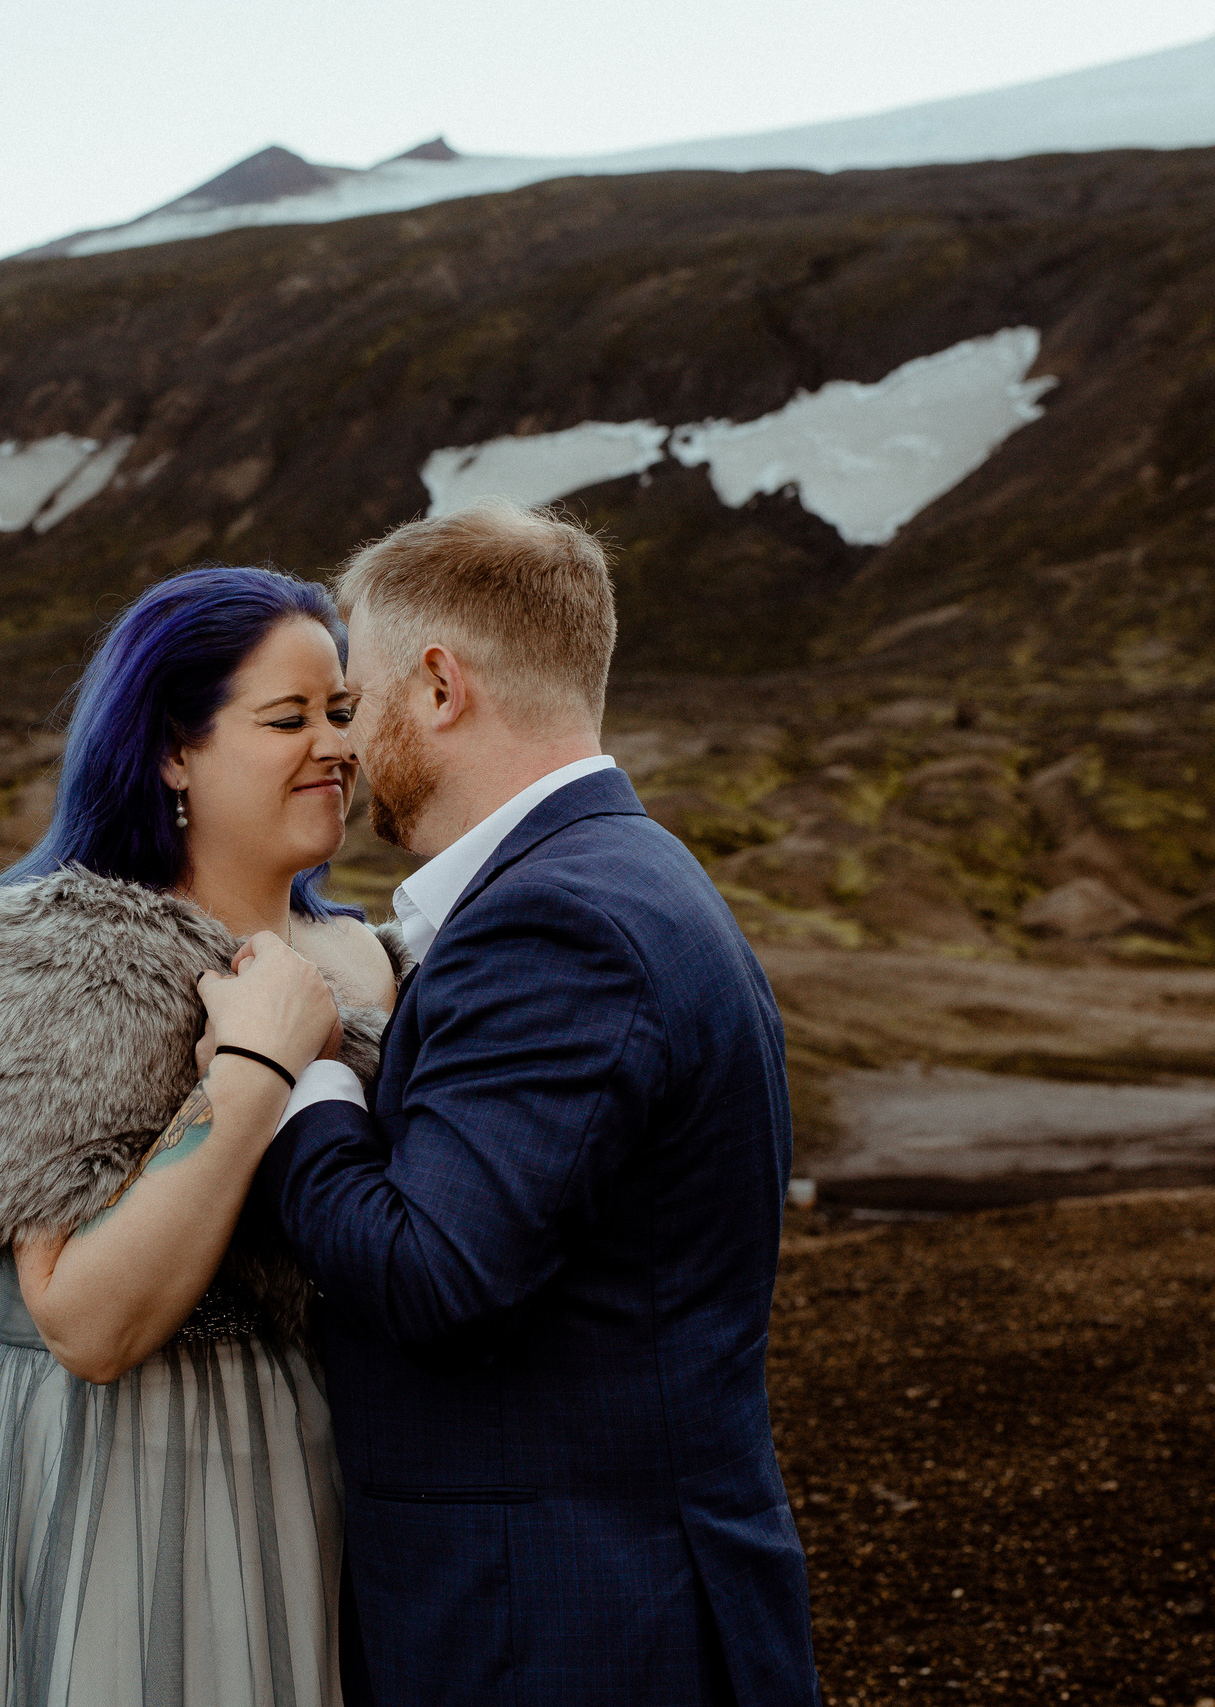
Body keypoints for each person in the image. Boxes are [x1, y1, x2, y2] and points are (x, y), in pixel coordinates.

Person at [256, 501, 821, 1706]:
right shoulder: (630, 871)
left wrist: (300, 1069)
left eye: (354, 703)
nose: (343, 748)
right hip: (611, 1599)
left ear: (441, 685)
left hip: (563, 1625)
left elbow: (432, 1277)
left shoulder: (554, 925)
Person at [0, 565, 395, 1707]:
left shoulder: (375, 958)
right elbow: (87, 1323)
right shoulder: (70, 958)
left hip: (333, 1475)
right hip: (125, 1480)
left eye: (342, 711)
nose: (333, 745)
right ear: (174, 749)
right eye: (287, 718)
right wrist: (258, 1072)